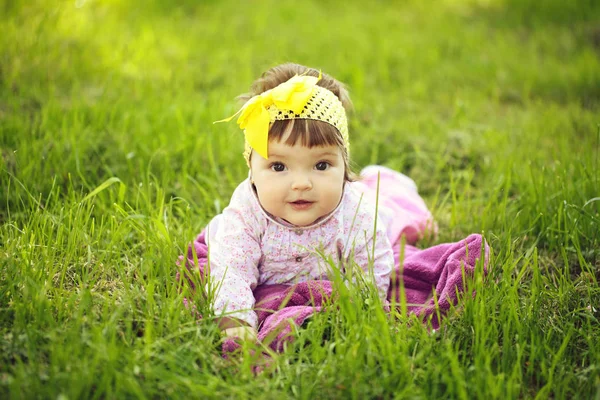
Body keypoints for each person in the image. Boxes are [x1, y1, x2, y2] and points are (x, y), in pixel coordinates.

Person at [198, 63, 436, 342]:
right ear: (252, 168)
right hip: (252, 254)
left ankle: (386, 183)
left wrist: (361, 311)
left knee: (393, 219)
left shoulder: (354, 209)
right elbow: (232, 270)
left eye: (321, 165)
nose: (301, 183)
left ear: (343, 165)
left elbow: (370, 263)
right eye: (278, 167)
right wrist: (236, 321)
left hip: (366, 217)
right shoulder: (246, 212)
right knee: (222, 242)